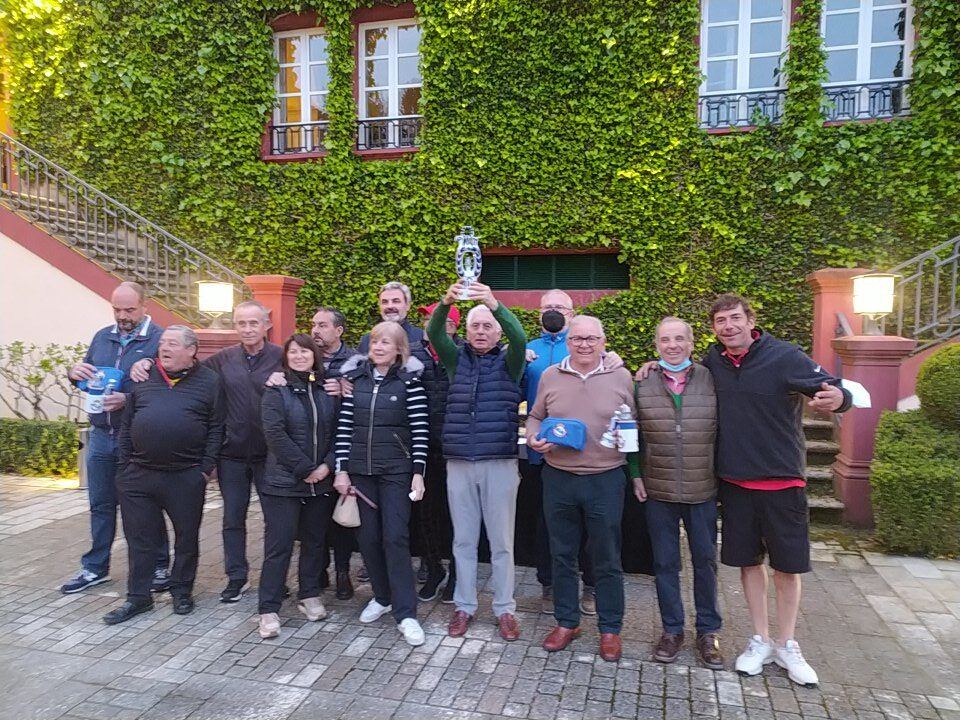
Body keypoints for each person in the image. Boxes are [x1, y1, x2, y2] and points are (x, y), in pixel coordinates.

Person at [702, 294, 851, 686]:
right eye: (721, 320)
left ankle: (787, 643)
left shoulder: (785, 356)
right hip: (735, 482)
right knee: (748, 563)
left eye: (735, 318)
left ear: (751, 321)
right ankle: (761, 639)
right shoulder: (713, 361)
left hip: (783, 481)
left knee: (787, 566)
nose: (729, 326)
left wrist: (840, 398)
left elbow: (834, 388)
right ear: (714, 328)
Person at [526, 315, 638, 663]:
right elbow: (535, 416)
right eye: (577, 339)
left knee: (606, 556)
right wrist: (533, 436)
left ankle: (610, 628)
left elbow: (634, 421)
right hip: (558, 477)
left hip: (606, 478)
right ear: (568, 341)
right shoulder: (551, 375)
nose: (584, 344)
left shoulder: (621, 375)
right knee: (562, 554)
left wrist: (627, 438)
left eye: (592, 339)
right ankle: (566, 622)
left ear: (603, 342)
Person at [426, 281, 526, 642]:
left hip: (498, 461)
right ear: (466, 332)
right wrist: (445, 302)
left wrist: (494, 304)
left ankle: (505, 609)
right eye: (474, 326)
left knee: (502, 543)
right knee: (463, 542)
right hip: (459, 462)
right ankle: (464, 606)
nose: (481, 331)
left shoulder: (511, 361)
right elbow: (434, 333)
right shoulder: (455, 361)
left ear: (497, 332)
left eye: (487, 326)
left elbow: (520, 338)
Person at [103, 326, 224, 624]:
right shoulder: (144, 376)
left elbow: (217, 427)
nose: (164, 348)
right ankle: (138, 597)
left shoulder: (210, 381)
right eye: (162, 343)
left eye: (172, 344)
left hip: (185, 476)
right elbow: (128, 422)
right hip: (138, 475)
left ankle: (181, 591)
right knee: (139, 539)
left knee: (186, 538)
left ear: (191, 350)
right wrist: (124, 467)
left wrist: (204, 468)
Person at [61, 282, 170, 595]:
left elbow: (168, 389)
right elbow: (91, 378)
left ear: (145, 306)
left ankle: (159, 565)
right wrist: (75, 374)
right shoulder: (102, 337)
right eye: (117, 309)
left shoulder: (160, 339)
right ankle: (95, 567)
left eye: (129, 310)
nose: (122, 316)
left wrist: (128, 400)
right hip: (100, 435)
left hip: (135, 437)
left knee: (145, 505)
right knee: (100, 504)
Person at [633, 317, 722, 670]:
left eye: (679, 339)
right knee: (665, 564)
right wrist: (635, 474)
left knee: (705, 562)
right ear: (656, 345)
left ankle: (708, 632)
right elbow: (631, 432)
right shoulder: (641, 382)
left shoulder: (711, 378)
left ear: (691, 342)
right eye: (665, 340)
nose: (672, 346)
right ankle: (672, 630)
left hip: (703, 488)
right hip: (658, 488)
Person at [333, 322, 430, 647]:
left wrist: (418, 472)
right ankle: (382, 596)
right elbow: (344, 428)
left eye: (386, 342)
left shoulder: (410, 383)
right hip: (361, 472)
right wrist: (341, 471)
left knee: (395, 538)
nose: (378, 347)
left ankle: (406, 613)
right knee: (368, 538)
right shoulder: (356, 381)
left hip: (396, 472)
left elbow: (420, 430)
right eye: (375, 341)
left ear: (399, 348)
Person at [257, 334, 339, 639]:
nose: (299, 356)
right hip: (284, 482)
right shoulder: (276, 389)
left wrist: (327, 465)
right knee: (278, 546)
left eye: (305, 351)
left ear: (314, 355)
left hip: (321, 482)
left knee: (315, 542)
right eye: (293, 351)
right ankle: (268, 608)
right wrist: (305, 469)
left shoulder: (327, 389)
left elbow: (339, 431)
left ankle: (309, 594)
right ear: (286, 357)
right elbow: (274, 434)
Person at [523, 289, 596, 617]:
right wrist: (514, 358)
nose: (553, 311)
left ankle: (591, 585)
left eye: (560, 307)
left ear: (572, 313)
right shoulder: (527, 349)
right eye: (547, 307)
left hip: (583, 454)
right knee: (546, 523)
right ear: (539, 313)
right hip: (542, 455)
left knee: (589, 525)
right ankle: (548, 582)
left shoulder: (585, 347)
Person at [413, 301, 461, 602]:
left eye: (435, 320)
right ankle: (434, 569)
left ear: (452, 327)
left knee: (457, 516)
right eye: (427, 320)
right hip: (422, 448)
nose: (428, 326)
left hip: (455, 449)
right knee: (426, 515)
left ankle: (457, 573)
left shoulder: (464, 354)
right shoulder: (411, 355)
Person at [311, 307, 357, 600]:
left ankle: (342, 572)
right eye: (314, 325)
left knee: (342, 515)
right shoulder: (305, 356)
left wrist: (345, 389)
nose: (315, 330)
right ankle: (318, 569)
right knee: (315, 517)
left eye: (322, 325)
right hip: (313, 447)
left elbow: (364, 396)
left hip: (344, 445)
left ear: (338, 330)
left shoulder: (355, 361)